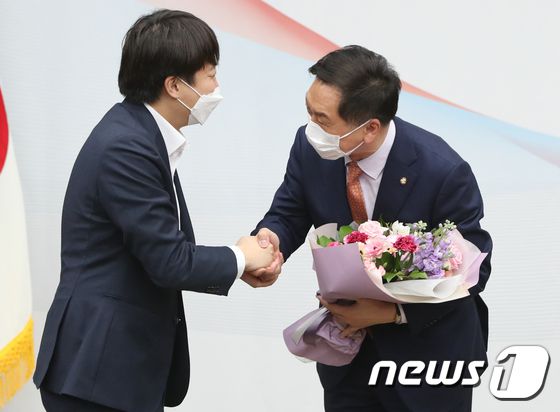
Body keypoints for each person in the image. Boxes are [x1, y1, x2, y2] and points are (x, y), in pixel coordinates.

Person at [33, 9, 282, 412]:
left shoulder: (142, 135)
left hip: (117, 373)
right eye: (210, 75)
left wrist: (240, 263)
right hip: (97, 375)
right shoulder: (127, 147)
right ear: (174, 85)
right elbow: (169, 261)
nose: (217, 86)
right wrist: (241, 257)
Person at [253, 45, 492, 411]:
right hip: (348, 358)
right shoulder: (311, 147)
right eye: (309, 112)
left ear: (369, 129)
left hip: (426, 360)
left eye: (323, 119)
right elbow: (290, 210)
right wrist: (271, 240)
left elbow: (474, 271)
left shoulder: (442, 171)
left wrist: (392, 313)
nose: (312, 127)